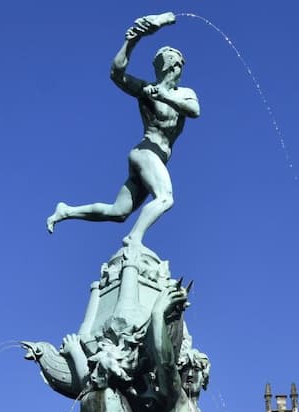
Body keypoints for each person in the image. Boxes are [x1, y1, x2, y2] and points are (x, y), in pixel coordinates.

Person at [46, 14, 200, 250]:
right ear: (171, 64)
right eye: (178, 61)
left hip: (155, 157)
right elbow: (116, 74)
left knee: (118, 212)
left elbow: (194, 110)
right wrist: (133, 40)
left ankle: (66, 210)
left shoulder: (184, 93)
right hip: (145, 152)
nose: (180, 65)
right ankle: (134, 238)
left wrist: (164, 95)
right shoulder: (146, 90)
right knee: (165, 198)